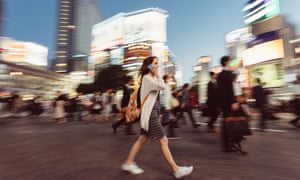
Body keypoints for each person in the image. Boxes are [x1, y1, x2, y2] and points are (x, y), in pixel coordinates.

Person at [121, 56, 193, 179]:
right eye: (155, 63)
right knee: (163, 140)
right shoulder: (148, 78)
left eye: (157, 64)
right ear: (149, 66)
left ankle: (128, 163)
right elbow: (162, 86)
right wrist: (157, 74)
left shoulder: (149, 78)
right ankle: (176, 170)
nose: (157, 66)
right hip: (150, 115)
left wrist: (156, 74)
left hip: (150, 113)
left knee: (142, 139)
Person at [217, 55, 241, 152]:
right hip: (229, 103)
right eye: (230, 61)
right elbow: (229, 90)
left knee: (226, 122)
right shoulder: (228, 74)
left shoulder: (220, 75)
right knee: (233, 121)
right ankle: (233, 141)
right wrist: (233, 102)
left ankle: (228, 144)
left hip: (224, 103)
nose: (231, 62)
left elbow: (220, 91)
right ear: (226, 62)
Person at [160, 74, 180, 138]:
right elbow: (164, 97)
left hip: (167, 105)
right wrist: (166, 106)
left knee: (167, 120)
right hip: (166, 106)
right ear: (166, 79)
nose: (170, 79)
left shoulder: (167, 86)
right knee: (168, 120)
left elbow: (168, 96)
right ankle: (170, 134)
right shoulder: (164, 86)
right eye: (169, 78)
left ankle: (170, 134)